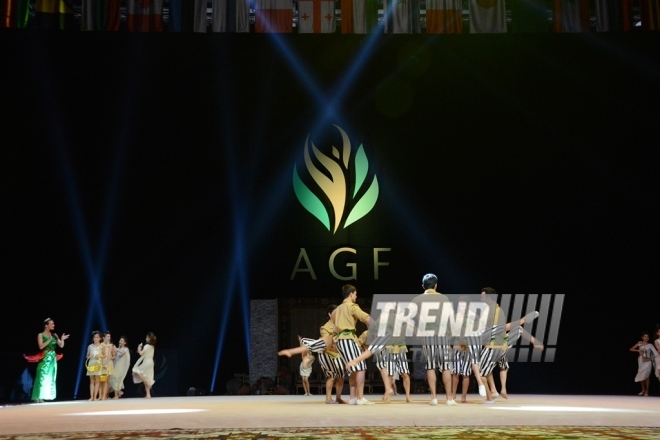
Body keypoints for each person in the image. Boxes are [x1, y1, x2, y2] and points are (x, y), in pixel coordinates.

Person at [333, 284, 371, 405]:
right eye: (355, 293)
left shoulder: (336, 310)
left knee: (354, 369)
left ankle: (353, 398)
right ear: (351, 294)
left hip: (340, 341)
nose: (356, 296)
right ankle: (360, 398)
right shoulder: (352, 306)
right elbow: (367, 318)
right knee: (361, 366)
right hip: (348, 339)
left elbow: (334, 328)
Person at [30, 318, 69, 403]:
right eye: (51, 324)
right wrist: (49, 340)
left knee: (50, 377)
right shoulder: (41, 335)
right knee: (41, 376)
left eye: (53, 324)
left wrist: (62, 339)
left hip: (52, 358)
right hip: (45, 357)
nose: (53, 325)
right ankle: (38, 396)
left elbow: (61, 346)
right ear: (46, 325)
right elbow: (41, 346)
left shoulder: (54, 335)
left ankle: (43, 396)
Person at [133, 332, 156, 398]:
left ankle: (146, 382)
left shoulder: (146, 346)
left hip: (146, 362)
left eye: (146, 337)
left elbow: (140, 353)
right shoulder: (152, 347)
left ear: (149, 338)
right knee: (147, 377)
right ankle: (148, 394)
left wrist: (139, 347)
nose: (145, 339)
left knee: (135, 371)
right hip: (151, 362)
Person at [86, 331, 105, 401]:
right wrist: (89, 356)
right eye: (94, 337)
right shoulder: (90, 346)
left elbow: (104, 355)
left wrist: (100, 355)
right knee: (91, 381)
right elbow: (87, 356)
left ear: (100, 338)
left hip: (98, 364)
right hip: (91, 363)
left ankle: (95, 396)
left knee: (97, 381)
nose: (95, 339)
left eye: (97, 337)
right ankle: (91, 396)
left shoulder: (101, 346)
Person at [98, 331, 116, 400]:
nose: (109, 338)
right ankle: (100, 395)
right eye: (108, 336)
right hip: (102, 362)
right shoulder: (101, 345)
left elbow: (114, 356)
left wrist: (109, 358)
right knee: (100, 380)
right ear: (103, 337)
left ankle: (104, 396)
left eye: (109, 336)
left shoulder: (111, 345)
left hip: (109, 363)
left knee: (106, 380)